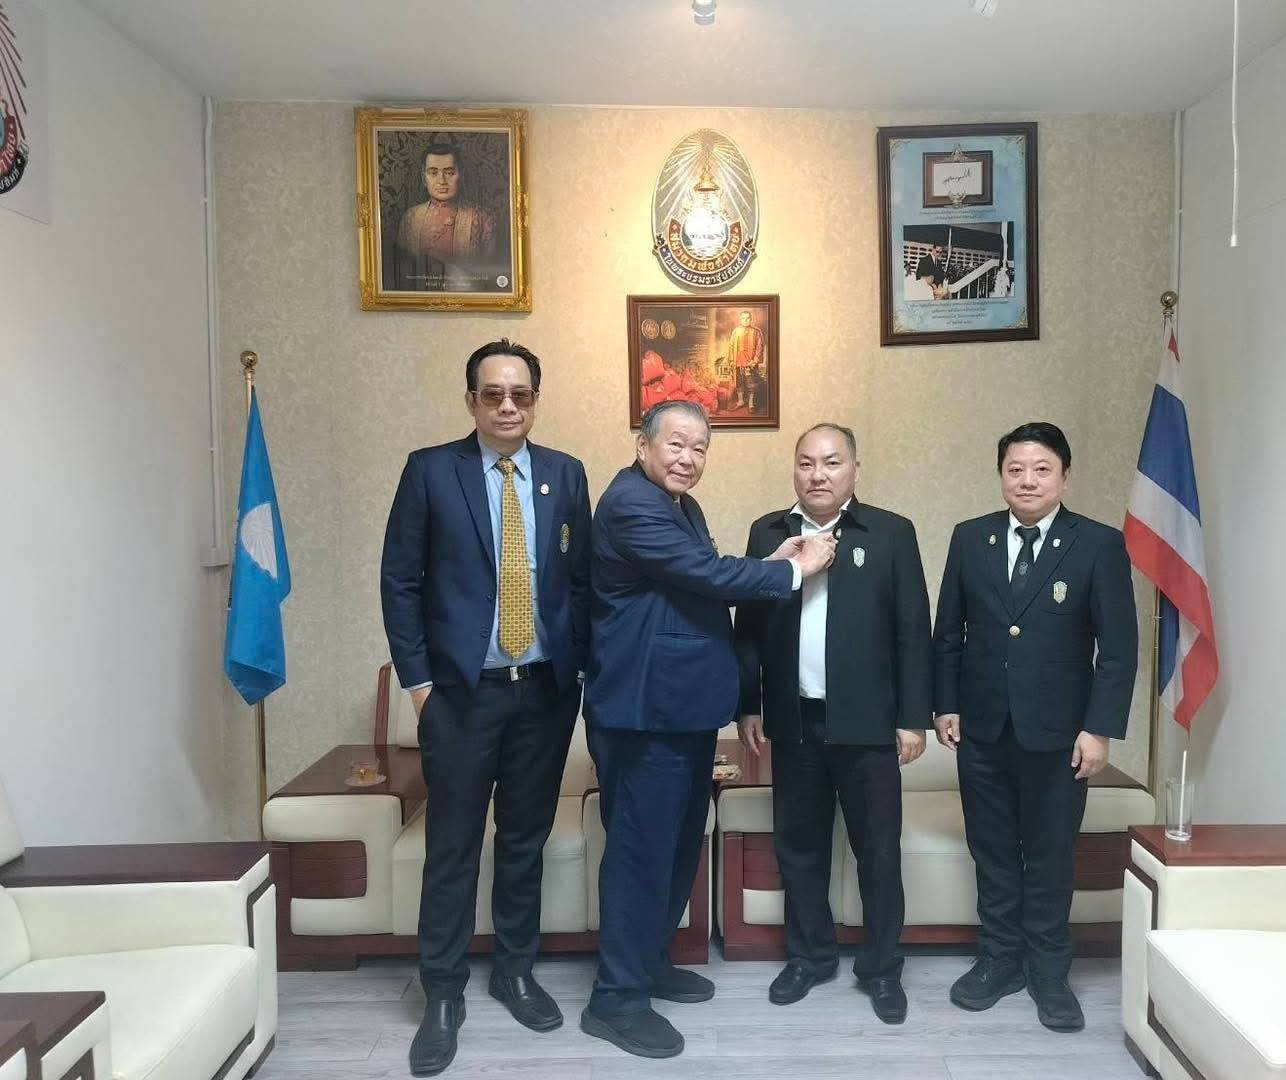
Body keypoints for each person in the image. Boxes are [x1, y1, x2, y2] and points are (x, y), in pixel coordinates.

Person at [581, 400, 836, 1059]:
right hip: (644, 713)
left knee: (675, 847)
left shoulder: (680, 506)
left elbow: (696, 577)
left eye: (700, 448)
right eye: (676, 444)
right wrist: (793, 569)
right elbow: (706, 574)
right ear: (642, 445)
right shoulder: (630, 503)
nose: (688, 458)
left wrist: (771, 557)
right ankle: (615, 999)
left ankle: (648, 963)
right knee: (641, 854)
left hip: (683, 710)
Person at [380, 340, 591, 1076]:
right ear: (470, 399)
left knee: (525, 840)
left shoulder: (565, 473)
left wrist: (577, 667)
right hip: (461, 697)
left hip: (544, 692)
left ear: (535, 400)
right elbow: (400, 581)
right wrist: (419, 686)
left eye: (520, 394)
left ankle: (514, 970)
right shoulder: (431, 470)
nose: (508, 406)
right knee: (453, 848)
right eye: (493, 394)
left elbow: (582, 580)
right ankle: (442, 993)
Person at [932, 422, 1138, 1033]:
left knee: (1049, 856)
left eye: (1042, 469)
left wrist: (1099, 729)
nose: (1027, 480)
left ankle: (1049, 971)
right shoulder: (971, 538)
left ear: (1064, 477)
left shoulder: (1098, 544)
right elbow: (948, 633)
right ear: (1001, 475)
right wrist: (945, 704)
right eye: (1015, 469)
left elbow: (1118, 649)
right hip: (982, 731)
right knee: (992, 852)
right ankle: (999, 960)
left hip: (1060, 736)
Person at [734, 423, 931, 1024]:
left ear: (855, 469)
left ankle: (881, 968)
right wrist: (748, 704)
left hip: (869, 726)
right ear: (794, 469)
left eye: (831, 462)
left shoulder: (891, 533)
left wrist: (913, 719)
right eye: (806, 462)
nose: (817, 474)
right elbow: (748, 629)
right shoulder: (768, 532)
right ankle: (810, 957)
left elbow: (913, 631)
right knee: (799, 849)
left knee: (879, 852)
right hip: (794, 721)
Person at [394, 140, 497, 290]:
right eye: (433, 173)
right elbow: (402, 275)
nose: (441, 181)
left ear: (461, 175)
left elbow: (490, 276)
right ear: (424, 178)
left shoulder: (483, 218)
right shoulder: (410, 218)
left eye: (449, 173)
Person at [725, 309, 766, 412]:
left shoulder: (756, 331)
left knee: (751, 383)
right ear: (740, 319)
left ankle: (751, 404)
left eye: (747, 318)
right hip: (738, 361)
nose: (745, 320)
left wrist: (755, 360)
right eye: (743, 318)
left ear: (751, 319)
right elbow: (731, 346)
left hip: (750, 362)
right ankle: (740, 401)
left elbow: (760, 347)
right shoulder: (736, 331)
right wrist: (731, 360)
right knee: (739, 382)